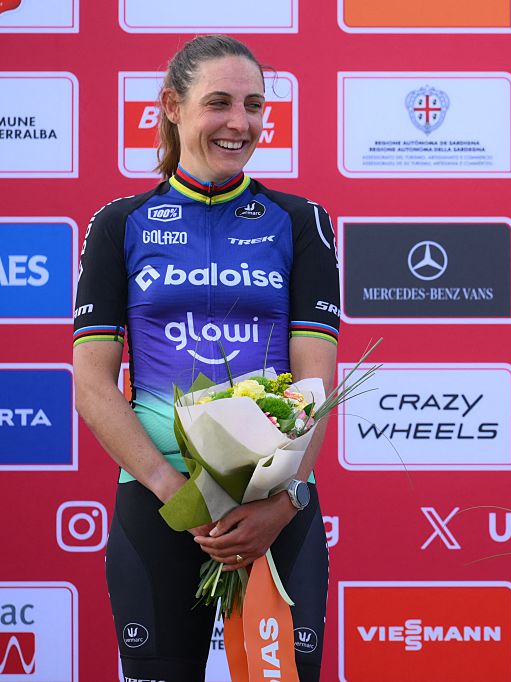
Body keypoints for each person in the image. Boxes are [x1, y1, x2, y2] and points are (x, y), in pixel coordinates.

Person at [72, 35, 340, 681]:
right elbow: (93, 385)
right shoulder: (120, 223)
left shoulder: (300, 222)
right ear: (172, 105)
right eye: (218, 102)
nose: (239, 123)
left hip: (276, 511)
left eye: (253, 105)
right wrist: (183, 498)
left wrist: (283, 503)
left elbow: (316, 382)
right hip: (159, 504)